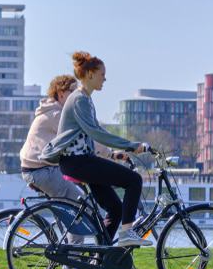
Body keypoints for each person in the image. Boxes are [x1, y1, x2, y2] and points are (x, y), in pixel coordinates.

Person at [48, 51, 151, 247]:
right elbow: (96, 133)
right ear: (90, 74)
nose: (105, 78)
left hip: (80, 162)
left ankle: (100, 257)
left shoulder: (84, 98)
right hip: (78, 162)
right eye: (102, 74)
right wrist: (131, 145)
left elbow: (96, 130)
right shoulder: (79, 99)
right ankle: (127, 233)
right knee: (134, 180)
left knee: (115, 208)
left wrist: (118, 150)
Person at [19, 74, 84, 202]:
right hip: (42, 170)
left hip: (38, 169)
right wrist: (110, 154)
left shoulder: (51, 112)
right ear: (61, 94)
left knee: (70, 204)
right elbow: (83, 136)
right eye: (73, 91)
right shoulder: (57, 115)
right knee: (80, 202)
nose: (77, 96)